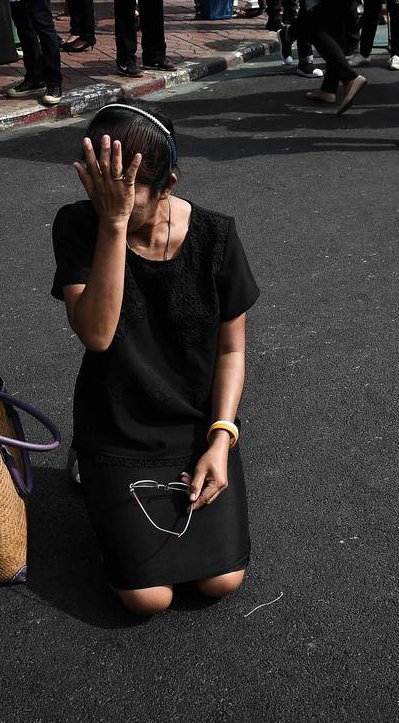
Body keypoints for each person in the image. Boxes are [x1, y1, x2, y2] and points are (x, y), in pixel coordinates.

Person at [50, 102, 259, 615]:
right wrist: (115, 225)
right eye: (98, 185)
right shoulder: (81, 225)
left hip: (194, 426)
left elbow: (232, 349)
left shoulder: (216, 236)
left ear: (168, 186)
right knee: (148, 598)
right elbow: (97, 336)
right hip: (117, 426)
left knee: (222, 582)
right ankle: (95, 478)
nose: (105, 201)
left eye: (124, 194)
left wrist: (221, 438)